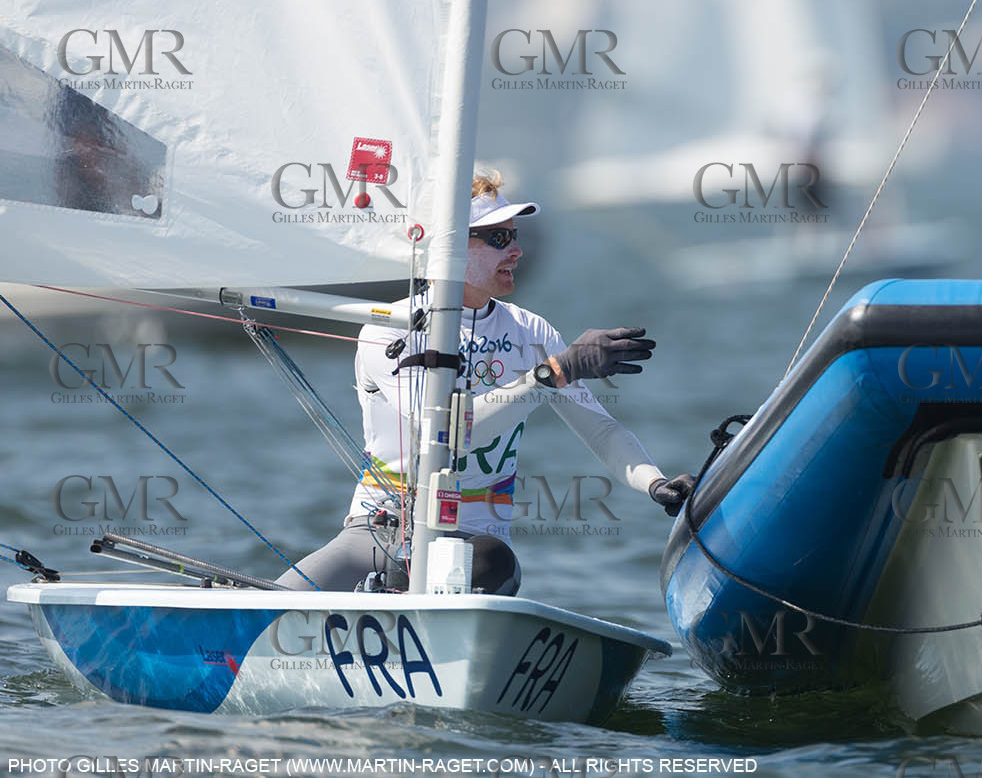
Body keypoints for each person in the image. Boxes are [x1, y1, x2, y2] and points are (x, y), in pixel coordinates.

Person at [278, 170, 695, 593]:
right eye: (499, 238)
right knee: (265, 605)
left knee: (494, 565)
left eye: (515, 235)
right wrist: (554, 372)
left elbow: (600, 430)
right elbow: (443, 436)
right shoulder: (389, 329)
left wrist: (655, 483)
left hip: (474, 546)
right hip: (376, 532)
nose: (517, 250)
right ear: (449, 247)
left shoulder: (530, 331)